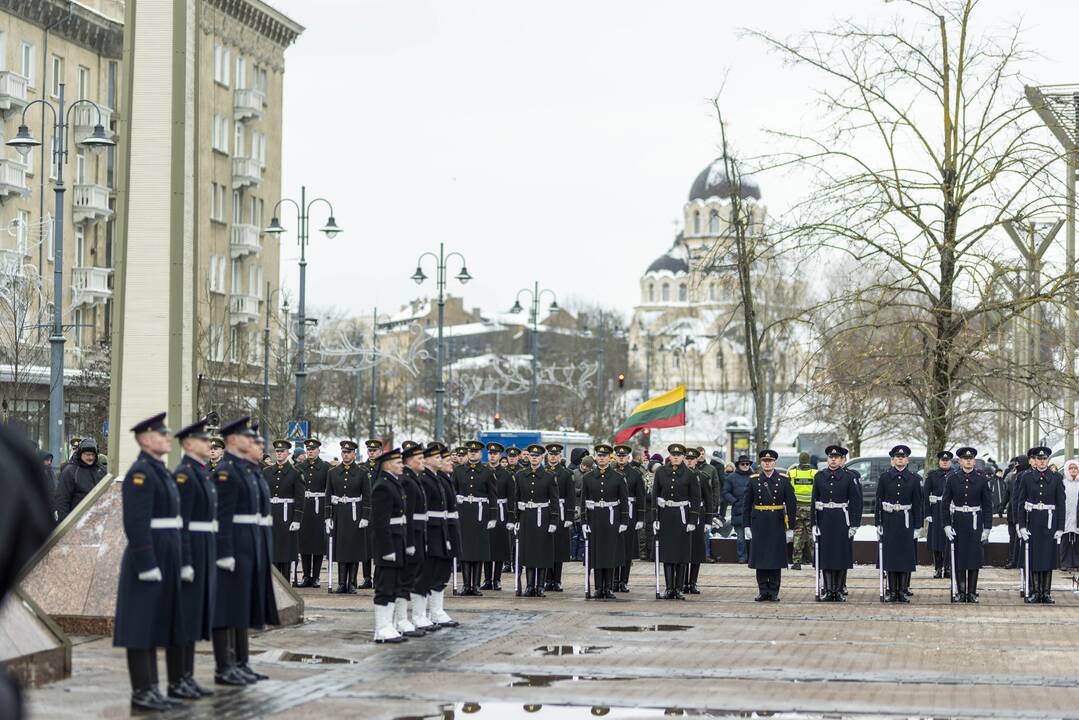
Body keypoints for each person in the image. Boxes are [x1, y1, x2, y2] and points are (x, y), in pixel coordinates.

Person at [112, 413, 186, 712]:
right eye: (161, 434)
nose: (168, 437)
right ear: (144, 439)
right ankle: (141, 691)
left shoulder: (160, 471)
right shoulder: (140, 473)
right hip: (149, 555)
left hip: (166, 553)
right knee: (140, 626)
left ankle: (153, 688)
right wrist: (146, 562)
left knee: (155, 624)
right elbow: (136, 522)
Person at [165, 418, 217, 700]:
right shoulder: (184, 474)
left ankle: (187, 676)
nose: (208, 444)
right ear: (187, 444)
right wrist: (184, 560)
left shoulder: (201, 472)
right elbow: (181, 521)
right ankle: (176, 680)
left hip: (204, 549)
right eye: (202, 440)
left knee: (195, 617)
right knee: (184, 618)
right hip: (192, 552)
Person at [210, 417, 262, 686]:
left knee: (239, 607)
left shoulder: (242, 469)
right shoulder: (226, 471)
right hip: (232, 547)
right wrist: (224, 551)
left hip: (246, 544)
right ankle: (224, 665)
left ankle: (240, 662)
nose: (251, 442)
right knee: (226, 608)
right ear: (232, 440)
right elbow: (223, 516)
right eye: (246, 437)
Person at [1015, 446, 1066, 603]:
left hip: (1050, 522)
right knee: (1035, 557)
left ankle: (1046, 593)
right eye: (1039, 459)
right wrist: (1021, 525)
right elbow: (1020, 502)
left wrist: (1060, 528)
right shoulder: (1027, 477)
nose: (1042, 462)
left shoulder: (1056, 478)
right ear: (1034, 461)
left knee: (1048, 558)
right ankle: (1036, 592)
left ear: (1048, 460)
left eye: (1044, 459)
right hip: (1033, 521)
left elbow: (1061, 504)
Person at [744, 449, 796, 602]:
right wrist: (746, 525)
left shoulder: (784, 480)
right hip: (759, 522)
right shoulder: (753, 480)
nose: (767, 463)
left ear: (774, 463)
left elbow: (792, 506)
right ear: (761, 463)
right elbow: (746, 505)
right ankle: (762, 590)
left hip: (776, 523)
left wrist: (791, 528)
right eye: (764, 461)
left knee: (775, 557)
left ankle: (773, 590)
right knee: (761, 558)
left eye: (770, 461)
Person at [941, 446, 992, 603]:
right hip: (958, 521)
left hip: (975, 521)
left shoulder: (982, 480)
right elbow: (945, 503)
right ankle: (961, 592)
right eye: (965, 459)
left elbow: (988, 505)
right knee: (960, 557)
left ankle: (971, 592)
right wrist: (947, 525)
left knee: (974, 558)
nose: (968, 461)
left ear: (974, 461)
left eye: (971, 459)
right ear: (960, 461)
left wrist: (987, 528)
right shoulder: (952, 479)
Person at [874, 444, 924, 603]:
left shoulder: (914, 479)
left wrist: (918, 525)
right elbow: (878, 501)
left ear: (907, 460)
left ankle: (902, 590)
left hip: (906, 521)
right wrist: (878, 523)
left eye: (902, 457)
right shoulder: (885, 478)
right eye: (897, 457)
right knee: (890, 556)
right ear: (892, 460)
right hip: (889, 520)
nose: (900, 459)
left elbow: (918, 503)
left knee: (904, 557)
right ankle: (892, 590)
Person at [412, 443, 453, 630]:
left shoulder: (437, 478)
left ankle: (436, 611)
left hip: (441, 529)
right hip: (430, 530)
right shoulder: (424, 480)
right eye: (437, 457)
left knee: (440, 572)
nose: (443, 460)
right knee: (425, 574)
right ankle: (419, 615)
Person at [370, 448, 409, 643]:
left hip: (397, 540)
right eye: (398, 462)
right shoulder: (383, 486)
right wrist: (386, 549)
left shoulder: (393, 483)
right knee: (385, 586)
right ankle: (381, 627)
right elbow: (380, 522)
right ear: (387, 464)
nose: (402, 465)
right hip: (388, 543)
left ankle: (388, 625)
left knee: (394, 585)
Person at [812, 445, 860, 601]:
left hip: (841, 519)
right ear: (827, 459)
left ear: (841, 460)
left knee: (840, 555)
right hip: (825, 519)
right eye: (831, 457)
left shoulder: (848, 477)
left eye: (836, 457)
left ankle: (838, 590)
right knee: (825, 556)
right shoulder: (819, 476)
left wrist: (854, 524)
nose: (833, 459)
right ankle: (828, 589)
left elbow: (855, 502)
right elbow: (814, 501)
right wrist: (814, 524)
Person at [652, 444, 700, 600]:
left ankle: (678, 588)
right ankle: (669, 588)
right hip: (666, 514)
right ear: (670, 456)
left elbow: (695, 498)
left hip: (682, 516)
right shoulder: (661, 472)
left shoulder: (690, 474)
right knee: (667, 554)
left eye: (679, 455)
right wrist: (655, 518)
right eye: (673, 455)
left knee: (681, 554)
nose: (676, 457)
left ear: (683, 457)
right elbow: (655, 495)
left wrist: (693, 519)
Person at [580, 443, 628, 599]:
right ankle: (598, 587)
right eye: (599, 456)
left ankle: (608, 587)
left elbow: (624, 501)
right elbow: (583, 501)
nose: (601, 458)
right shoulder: (588, 477)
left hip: (612, 518)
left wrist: (624, 521)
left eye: (604, 456)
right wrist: (584, 522)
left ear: (609, 458)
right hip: (595, 518)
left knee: (610, 553)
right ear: (596, 458)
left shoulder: (618, 477)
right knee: (596, 554)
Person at [451, 440, 497, 596]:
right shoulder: (458, 471)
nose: (472, 453)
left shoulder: (487, 472)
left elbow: (492, 495)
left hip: (480, 514)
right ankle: (466, 585)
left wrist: (493, 516)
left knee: (478, 550)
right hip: (463, 513)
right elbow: (453, 491)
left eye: (476, 452)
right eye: (470, 451)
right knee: (464, 550)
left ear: (480, 454)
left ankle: (476, 585)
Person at [514, 444, 559, 596]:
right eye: (532, 455)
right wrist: (516, 517)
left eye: (537, 455)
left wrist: (554, 521)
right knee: (528, 552)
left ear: (541, 457)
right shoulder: (520, 475)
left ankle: (539, 585)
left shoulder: (549, 476)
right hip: (526, 516)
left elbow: (554, 500)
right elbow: (516, 497)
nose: (534, 458)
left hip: (543, 516)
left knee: (542, 551)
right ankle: (529, 585)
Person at [326, 440, 369, 594]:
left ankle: (352, 583)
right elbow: (328, 495)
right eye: (344, 452)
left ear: (354, 454)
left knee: (354, 548)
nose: (346, 455)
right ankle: (341, 582)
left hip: (354, 512)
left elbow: (367, 496)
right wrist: (327, 516)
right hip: (339, 513)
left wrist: (365, 516)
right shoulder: (332, 472)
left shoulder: (362, 472)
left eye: (349, 452)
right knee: (341, 548)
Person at [397, 444, 428, 636]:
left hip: (417, 531)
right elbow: (406, 514)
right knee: (405, 579)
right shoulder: (408, 481)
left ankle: (411, 617)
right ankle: (400, 620)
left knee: (414, 577)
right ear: (409, 461)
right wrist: (408, 541)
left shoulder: (414, 478)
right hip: (411, 533)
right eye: (420, 459)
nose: (422, 462)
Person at [429, 446, 461, 627]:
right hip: (436, 530)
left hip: (446, 529)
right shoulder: (434, 480)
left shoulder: (445, 479)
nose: (451, 463)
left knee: (442, 572)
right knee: (433, 573)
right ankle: (431, 612)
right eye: (447, 460)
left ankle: (437, 610)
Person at [265, 440, 303, 579]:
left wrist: (297, 519)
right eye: (277, 451)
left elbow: (300, 498)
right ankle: (273, 583)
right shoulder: (267, 471)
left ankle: (286, 583)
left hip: (287, 516)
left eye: (282, 451)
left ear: (288, 453)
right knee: (272, 551)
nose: (279, 454)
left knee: (285, 552)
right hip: (271, 515)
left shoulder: (295, 473)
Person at [296, 438, 330, 588]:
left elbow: (328, 489)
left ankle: (315, 576)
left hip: (318, 507)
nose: (310, 451)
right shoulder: (299, 467)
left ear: (318, 450)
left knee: (317, 543)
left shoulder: (325, 467)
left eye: (312, 449)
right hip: (304, 507)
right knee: (304, 543)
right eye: (308, 449)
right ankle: (305, 575)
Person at [614, 444, 646, 592]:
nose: (621, 458)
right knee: (614, 547)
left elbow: (641, 497)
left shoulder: (635, 474)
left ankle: (623, 580)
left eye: (624, 456)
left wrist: (640, 518)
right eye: (619, 456)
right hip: (613, 513)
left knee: (627, 549)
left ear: (628, 457)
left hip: (631, 513)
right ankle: (614, 579)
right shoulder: (611, 472)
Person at [483, 442, 514, 591]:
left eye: (495, 453)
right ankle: (487, 579)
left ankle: (497, 579)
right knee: (487, 546)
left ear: (500, 456)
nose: (492, 455)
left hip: (502, 511)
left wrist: (511, 518)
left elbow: (511, 497)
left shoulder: (506, 474)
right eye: (490, 453)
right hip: (487, 511)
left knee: (500, 547)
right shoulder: (483, 471)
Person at [54, 437, 107, 522]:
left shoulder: (102, 470)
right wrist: (65, 524)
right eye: (87, 454)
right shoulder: (70, 471)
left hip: (98, 520)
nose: (90, 457)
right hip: (77, 521)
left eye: (93, 455)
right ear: (80, 454)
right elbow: (62, 500)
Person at [546, 443, 575, 592]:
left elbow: (570, 496)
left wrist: (569, 516)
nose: (553, 457)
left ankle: (556, 580)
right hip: (545, 512)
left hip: (562, 512)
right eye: (551, 454)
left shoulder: (566, 473)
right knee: (546, 546)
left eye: (556, 454)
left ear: (560, 456)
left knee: (558, 547)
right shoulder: (543, 471)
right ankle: (547, 579)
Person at [684, 448, 712, 594]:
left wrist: (708, 520)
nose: (689, 461)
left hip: (698, 515)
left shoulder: (702, 477)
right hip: (682, 514)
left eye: (692, 459)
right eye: (687, 458)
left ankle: (692, 582)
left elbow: (709, 500)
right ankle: (682, 582)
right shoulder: (678, 476)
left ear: (696, 460)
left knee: (696, 549)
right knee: (683, 550)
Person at [923, 450, 954, 579]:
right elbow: (925, 496)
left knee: (949, 539)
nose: (945, 462)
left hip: (951, 510)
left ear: (951, 462)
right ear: (939, 461)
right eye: (943, 460)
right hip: (936, 510)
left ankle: (948, 567)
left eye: (947, 461)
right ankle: (937, 568)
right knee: (937, 541)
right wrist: (927, 513)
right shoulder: (932, 475)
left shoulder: (955, 475)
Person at [359, 439, 384, 588]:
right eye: (370, 450)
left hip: (381, 510)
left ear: (380, 451)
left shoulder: (385, 467)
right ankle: (367, 577)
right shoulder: (363, 468)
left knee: (379, 546)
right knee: (366, 545)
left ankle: (378, 577)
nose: (372, 453)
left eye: (374, 451)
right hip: (366, 510)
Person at [723, 455, 753, 563]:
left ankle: (752, 558)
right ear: (738, 465)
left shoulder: (754, 476)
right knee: (740, 537)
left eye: (747, 464)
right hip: (738, 511)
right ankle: (742, 557)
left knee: (753, 537)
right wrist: (734, 501)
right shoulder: (731, 477)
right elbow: (725, 492)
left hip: (752, 512)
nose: (745, 466)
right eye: (743, 464)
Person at [788, 451, 816, 570]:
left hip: (797, 508)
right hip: (811, 507)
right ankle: (816, 561)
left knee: (797, 535)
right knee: (812, 535)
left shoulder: (792, 473)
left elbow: (788, 491)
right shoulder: (814, 473)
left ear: (799, 460)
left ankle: (797, 562)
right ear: (808, 461)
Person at [1059, 459, 1079, 590]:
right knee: (1065, 539)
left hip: (1077, 516)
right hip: (1066, 515)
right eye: (1071, 468)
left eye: (1075, 468)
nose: (1073, 471)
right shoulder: (1063, 483)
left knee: (1077, 540)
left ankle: (1076, 562)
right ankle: (1064, 563)